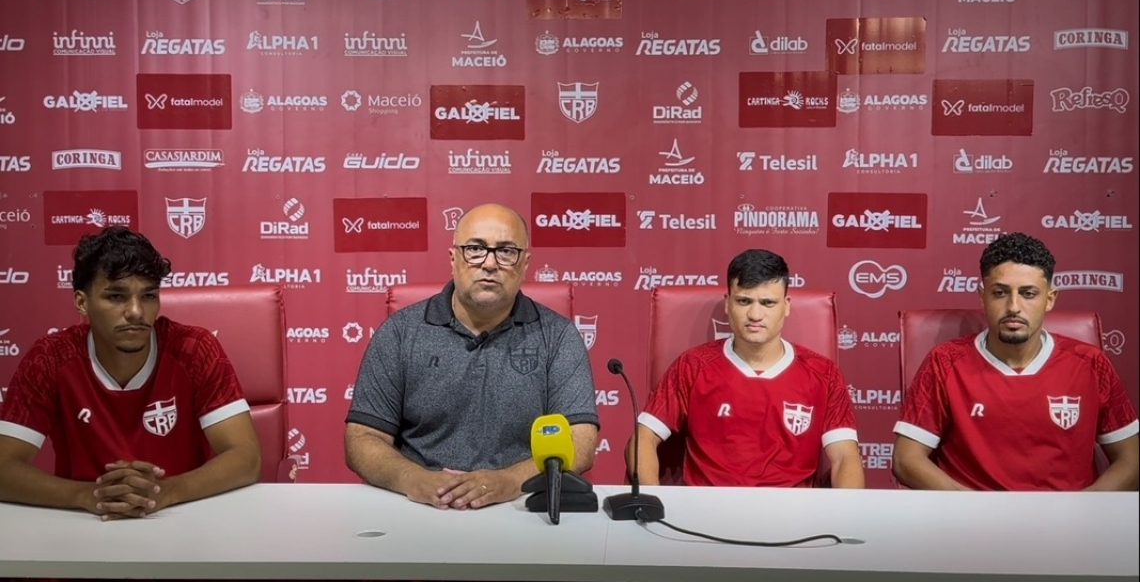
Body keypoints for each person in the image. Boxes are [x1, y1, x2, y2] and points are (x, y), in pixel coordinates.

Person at [345, 203, 599, 509]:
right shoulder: (400, 332)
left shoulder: (558, 337)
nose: (490, 263)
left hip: (521, 505)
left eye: (506, 251)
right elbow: (362, 439)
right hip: (418, 504)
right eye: (475, 249)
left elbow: (580, 443)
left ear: (525, 263)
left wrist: (509, 481)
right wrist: (414, 479)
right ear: (453, 258)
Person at [0, 226, 261, 519]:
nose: (136, 311)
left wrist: (167, 492)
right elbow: (3, 468)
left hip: (183, 517)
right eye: (116, 296)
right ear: (81, 302)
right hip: (84, 522)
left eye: (148, 295)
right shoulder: (50, 358)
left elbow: (246, 457)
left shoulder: (194, 349)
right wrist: (90, 496)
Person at [893, 232, 1139, 491]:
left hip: (1068, 524)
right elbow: (906, 460)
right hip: (973, 524)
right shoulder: (944, 362)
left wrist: (1082, 510)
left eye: (1028, 294)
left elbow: (1131, 461)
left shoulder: (1091, 363)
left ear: (1050, 298)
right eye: (1000, 293)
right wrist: (973, 510)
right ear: (982, 296)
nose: (1013, 306)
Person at [629, 249, 864, 488]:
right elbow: (642, 438)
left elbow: (845, 457)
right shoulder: (693, 366)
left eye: (768, 303)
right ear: (728, 303)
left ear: (786, 306)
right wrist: (652, 503)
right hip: (706, 513)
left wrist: (846, 517)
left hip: (793, 514)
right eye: (744, 301)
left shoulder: (823, 373)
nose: (755, 314)